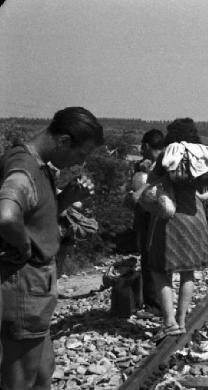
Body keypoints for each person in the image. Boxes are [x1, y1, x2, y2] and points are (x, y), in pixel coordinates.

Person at [0, 107, 103, 389]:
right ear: (64, 141)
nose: (78, 162)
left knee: (43, 370)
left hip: (36, 286)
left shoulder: (39, 167)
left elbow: (36, 216)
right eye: (80, 154)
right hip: (25, 284)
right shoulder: (24, 167)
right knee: (22, 377)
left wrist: (68, 197)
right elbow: (7, 216)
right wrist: (23, 245)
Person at [134, 118, 208, 341]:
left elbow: (152, 179)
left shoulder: (171, 152)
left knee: (160, 270)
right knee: (188, 271)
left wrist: (141, 192)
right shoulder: (203, 154)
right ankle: (182, 320)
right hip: (196, 216)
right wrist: (203, 196)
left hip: (170, 217)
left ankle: (168, 322)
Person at [133, 129, 165, 317]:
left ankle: (154, 304)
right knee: (159, 259)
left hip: (151, 213)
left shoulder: (155, 166)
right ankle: (160, 303)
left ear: (146, 146)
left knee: (149, 258)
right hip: (166, 212)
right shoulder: (170, 160)